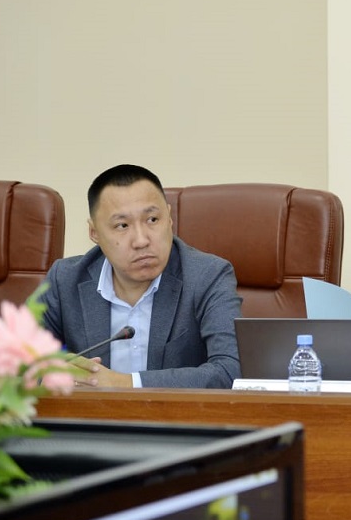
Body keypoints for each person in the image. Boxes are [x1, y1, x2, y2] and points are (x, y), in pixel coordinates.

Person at [42, 164, 241, 388]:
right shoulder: (65, 279)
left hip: (176, 411)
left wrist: (124, 383)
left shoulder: (207, 276)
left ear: (169, 218)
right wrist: (59, 376)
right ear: (94, 232)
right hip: (90, 411)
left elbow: (230, 371)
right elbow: (19, 364)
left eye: (152, 220)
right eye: (122, 225)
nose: (141, 240)